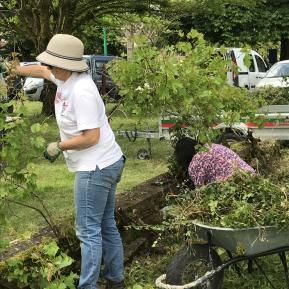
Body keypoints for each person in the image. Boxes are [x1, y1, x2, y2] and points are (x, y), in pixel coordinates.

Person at [12, 34, 125, 289]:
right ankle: (116, 281)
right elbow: (40, 70)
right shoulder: (64, 76)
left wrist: (58, 146)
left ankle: (88, 286)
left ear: (65, 65)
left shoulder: (82, 90)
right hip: (108, 161)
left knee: (88, 232)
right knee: (105, 224)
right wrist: (13, 68)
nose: (48, 67)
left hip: (95, 167)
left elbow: (91, 137)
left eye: (52, 64)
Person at [175, 137, 255, 187]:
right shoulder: (211, 145)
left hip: (235, 186)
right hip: (251, 177)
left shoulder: (194, 164)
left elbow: (201, 192)